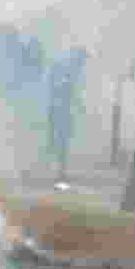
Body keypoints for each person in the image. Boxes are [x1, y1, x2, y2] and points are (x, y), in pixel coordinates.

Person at [48, 46, 88, 181]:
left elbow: (71, 93)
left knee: (61, 142)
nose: (82, 65)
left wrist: (79, 106)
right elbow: (63, 90)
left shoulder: (70, 70)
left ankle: (59, 170)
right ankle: (56, 171)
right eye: (81, 61)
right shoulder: (67, 70)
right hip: (58, 111)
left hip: (61, 111)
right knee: (59, 142)